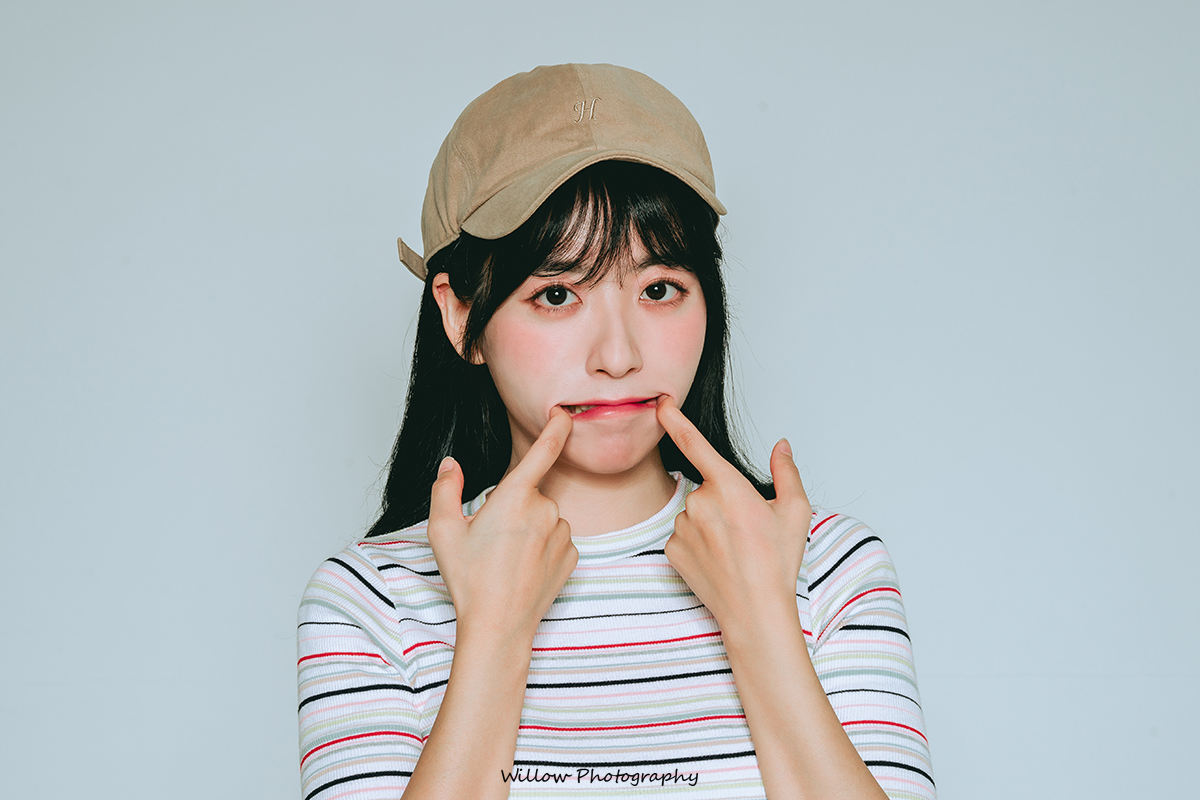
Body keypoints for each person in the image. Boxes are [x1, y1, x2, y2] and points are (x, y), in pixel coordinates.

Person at [297, 63, 935, 800]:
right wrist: (495, 632)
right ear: (461, 316)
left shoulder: (826, 568)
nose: (619, 356)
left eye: (659, 289)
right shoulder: (371, 601)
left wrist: (762, 621)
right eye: (557, 295)